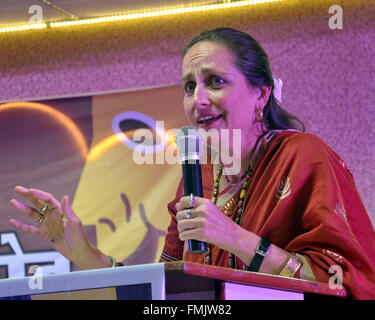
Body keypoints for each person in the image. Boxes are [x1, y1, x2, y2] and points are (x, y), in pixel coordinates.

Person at [9, 28, 375, 299]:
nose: (198, 100)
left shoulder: (303, 155)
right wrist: (82, 252)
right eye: (189, 86)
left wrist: (234, 238)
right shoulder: (197, 177)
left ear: (261, 93)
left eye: (215, 82)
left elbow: (343, 280)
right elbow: (168, 285)